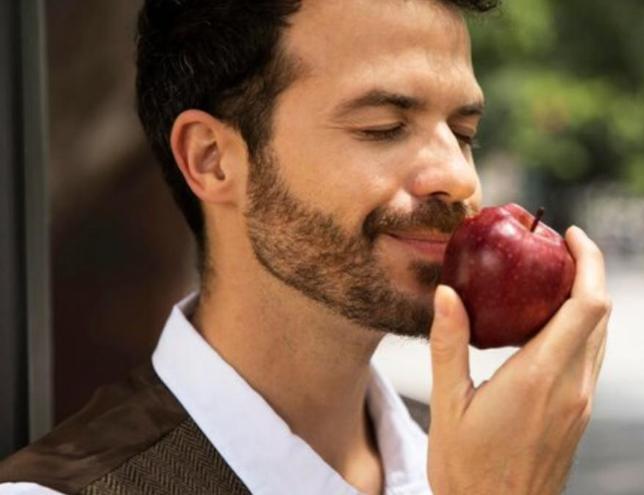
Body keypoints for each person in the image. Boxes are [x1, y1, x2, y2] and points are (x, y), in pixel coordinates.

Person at [0, 0, 611, 493]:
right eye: (383, 128)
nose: (459, 176)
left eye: (464, 132)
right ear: (212, 160)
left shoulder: (473, 450)